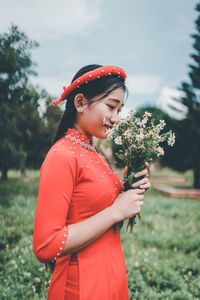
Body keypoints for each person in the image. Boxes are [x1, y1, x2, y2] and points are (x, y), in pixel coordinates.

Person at [33, 64, 150, 300]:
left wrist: (132, 183)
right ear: (80, 103)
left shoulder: (93, 153)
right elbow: (45, 245)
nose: (116, 118)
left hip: (110, 274)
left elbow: (95, 207)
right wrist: (116, 211)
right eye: (111, 107)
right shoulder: (62, 155)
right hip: (81, 286)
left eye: (119, 110)